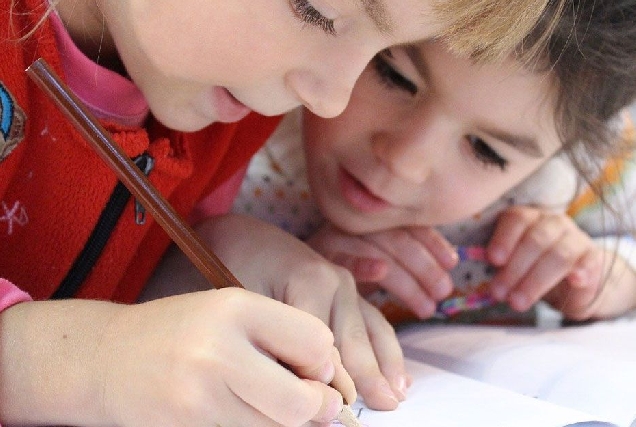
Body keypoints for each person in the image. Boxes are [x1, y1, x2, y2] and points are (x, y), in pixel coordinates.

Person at [0, 0, 568, 425]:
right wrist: (97, 364)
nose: (330, 99)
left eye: (376, 56)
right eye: (316, 9)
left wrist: (203, 266)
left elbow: (104, 286)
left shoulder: (224, 103)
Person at [231, 0, 636, 326]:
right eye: (394, 77)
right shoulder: (235, 118)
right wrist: (264, 271)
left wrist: (609, 277)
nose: (405, 162)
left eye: (485, 150)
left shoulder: (573, 179)